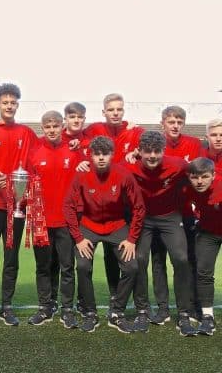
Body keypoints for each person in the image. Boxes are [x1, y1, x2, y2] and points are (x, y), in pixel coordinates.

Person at [63, 136, 144, 334]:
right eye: (97, 154)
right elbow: (68, 206)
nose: (101, 158)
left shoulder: (124, 175)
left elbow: (139, 208)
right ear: (90, 155)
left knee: (132, 266)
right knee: (82, 266)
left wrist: (132, 239)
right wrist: (79, 238)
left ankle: (116, 312)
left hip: (116, 226)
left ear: (112, 155)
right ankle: (90, 313)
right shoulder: (81, 175)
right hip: (89, 226)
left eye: (105, 154)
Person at [0, 83, 38, 326]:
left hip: (17, 208)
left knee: (11, 259)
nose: (9, 106)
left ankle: (6, 306)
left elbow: (35, 166)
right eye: (5, 102)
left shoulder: (27, 134)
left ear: (17, 105)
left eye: (13, 102)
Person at [124, 131, 196, 336]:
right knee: (138, 258)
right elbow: (105, 169)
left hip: (170, 217)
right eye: (147, 151)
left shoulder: (179, 164)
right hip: (143, 219)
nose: (152, 156)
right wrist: (82, 165)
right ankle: (142, 311)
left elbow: (202, 171)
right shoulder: (129, 165)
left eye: (157, 151)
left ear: (163, 151)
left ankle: (183, 313)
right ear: (140, 151)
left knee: (181, 258)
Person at [82, 94, 144, 316]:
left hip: (124, 205)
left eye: (119, 109)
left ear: (124, 111)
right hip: (98, 202)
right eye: (111, 109)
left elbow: (151, 145)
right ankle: (112, 294)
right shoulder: (93, 129)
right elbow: (73, 133)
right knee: (108, 254)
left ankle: (135, 303)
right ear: (104, 112)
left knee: (128, 257)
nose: (115, 113)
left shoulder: (135, 131)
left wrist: (137, 151)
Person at [27, 111, 83, 329]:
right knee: (43, 266)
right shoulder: (34, 153)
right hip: (41, 219)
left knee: (67, 266)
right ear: (43, 128)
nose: (52, 130)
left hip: (66, 221)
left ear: (62, 127)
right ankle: (45, 306)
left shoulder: (74, 150)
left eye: (56, 126)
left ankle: (67, 309)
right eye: (48, 127)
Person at [150, 106, 203, 325]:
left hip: (184, 214)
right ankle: (163, 309)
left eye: (179, 122)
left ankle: (188, 306)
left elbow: (200, 174)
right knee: (158, 261)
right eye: (171, 121)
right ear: (163, 123)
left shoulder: (193, 144)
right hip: (155, 213)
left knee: (184, 260)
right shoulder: (153, 146)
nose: (175, 125)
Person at [184, 157, 222, 336]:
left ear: (213, 175)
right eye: (195, 177)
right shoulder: (187, 188)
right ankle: (208, 318)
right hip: (208, 233)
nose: (200, 182)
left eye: (205, 177)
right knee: (203, 272)